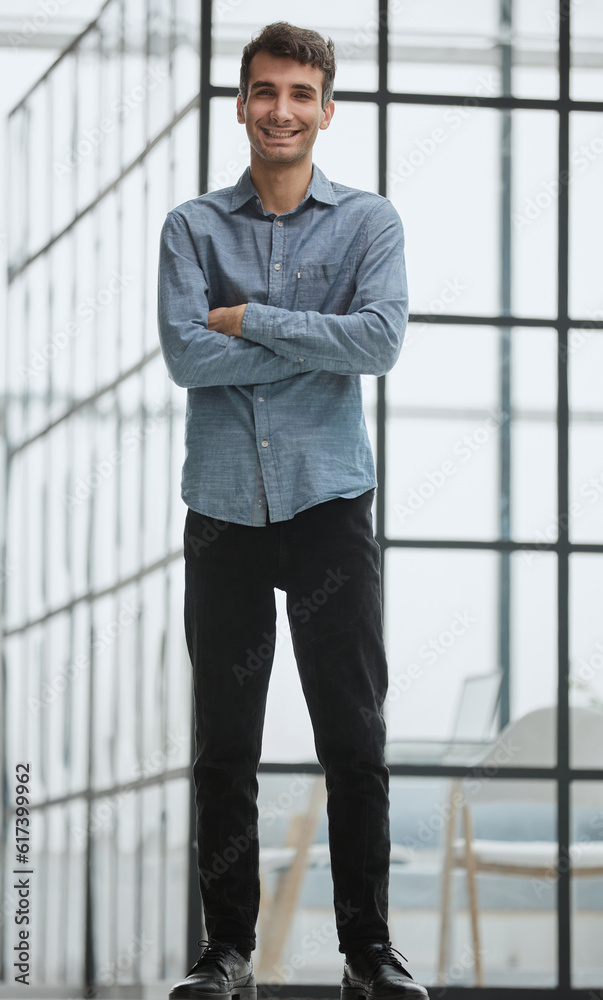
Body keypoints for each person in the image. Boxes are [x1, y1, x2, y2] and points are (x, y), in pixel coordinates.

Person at [158, 20, 428, 1000]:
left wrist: (250, 319)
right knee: (224, 744)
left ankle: (370, 952)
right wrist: (316, 339)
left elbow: (380, 342)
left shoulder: (368, 224)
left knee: (353, 736)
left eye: (301, 93)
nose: (282, 109)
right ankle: (225, 952)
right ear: (241, 103)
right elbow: (188, 358)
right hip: (223, 509)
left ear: (325, 108)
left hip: (328, 505)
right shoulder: (193, 227)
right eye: (265, 91)